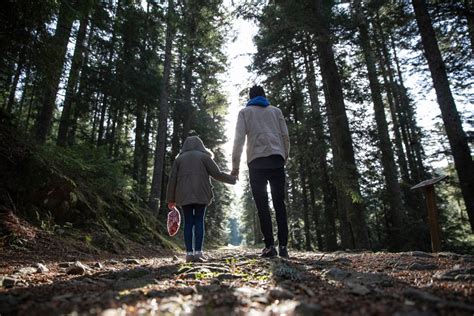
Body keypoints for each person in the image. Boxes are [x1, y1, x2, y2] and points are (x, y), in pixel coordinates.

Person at [232, 85, 290, 258]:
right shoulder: (276, 111)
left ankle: (270, 246)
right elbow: (285, 136)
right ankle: (284, 246)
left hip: (256, 162)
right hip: (277, 159)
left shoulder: (245, 113)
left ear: (250, 97)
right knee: (280, 203)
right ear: (264, 95)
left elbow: (239, 140)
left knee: (262, 205)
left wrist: (235, 166)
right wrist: (283, 157)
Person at [167, 136, 237, 262]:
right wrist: (232, 179)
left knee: (188, 222)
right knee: (199, 220)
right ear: (201, 146)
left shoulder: (179, 160)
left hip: (183, 195)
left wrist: (170, 199)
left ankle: (189, 254)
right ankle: (198, 253)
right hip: (201, 193)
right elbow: (217, 174)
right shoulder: (204, 157)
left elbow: (172, 180)